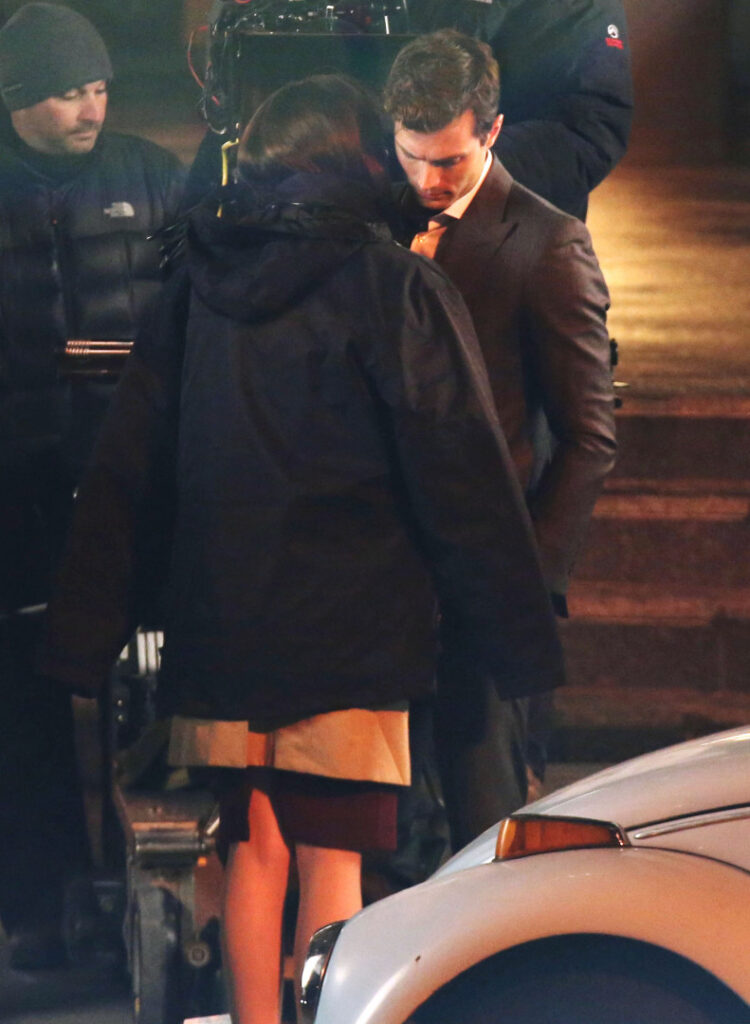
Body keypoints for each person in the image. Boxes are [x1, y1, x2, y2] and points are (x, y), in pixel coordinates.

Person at [39, 74, 565, 1022]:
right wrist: (517, 637)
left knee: (252, 850)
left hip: (222, 628)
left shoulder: (196, 289)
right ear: (359, 163)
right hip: (351, 631)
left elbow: (130, 467)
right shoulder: (395, 286)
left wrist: (84, 632)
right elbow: (462, 474)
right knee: (334, 859)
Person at [383, 30, 617, 850]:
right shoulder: (382, 219)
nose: (428, 180)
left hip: (489, 576)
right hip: (385, 578)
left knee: (483, 826)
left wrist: (532, 573)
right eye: (412, 157)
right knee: (389, 830)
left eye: (448, 161)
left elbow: (590, 434)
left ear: (493, 131)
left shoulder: (546, 241)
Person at [0, 2, 184, 969]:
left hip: (132, 479)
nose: (90, 109)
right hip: (18, 491)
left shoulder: (151, 177)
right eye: (69, 92)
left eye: (101, 88)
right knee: (21, 705)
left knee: (154, 691)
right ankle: (41, 904)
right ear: (16, 99)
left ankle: (162, 892)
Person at [405, 0, 634, 219]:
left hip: (521, 222)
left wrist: (470, 168)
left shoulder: (582, 8)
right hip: (402, 213)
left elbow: (592, 131)